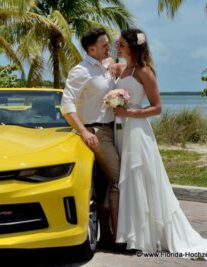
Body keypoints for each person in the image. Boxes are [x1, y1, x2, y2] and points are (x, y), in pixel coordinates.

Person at [112, 28, 207, 259]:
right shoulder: (123, 69)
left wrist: (129, 112)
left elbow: (157, 107)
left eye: (120, 43)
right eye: (116, 43)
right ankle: (133, 235)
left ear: (133, 46)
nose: (116, 46)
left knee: (139, 179)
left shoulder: (144, 71)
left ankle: (144, 238)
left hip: (137, 132)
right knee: (128, 181)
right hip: (121, 130)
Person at [60, 27, 121, 247]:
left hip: (114, 130)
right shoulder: (81, 71)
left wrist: (113, 61)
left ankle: (106, 234)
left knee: (105, 183)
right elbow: (66, 105)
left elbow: (117, 65)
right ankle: (115, 236)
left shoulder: (106, 65)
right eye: (104, 44)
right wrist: (84, 131)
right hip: (96, 132)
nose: (108, 47)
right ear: (91, 48)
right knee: (119, 178)